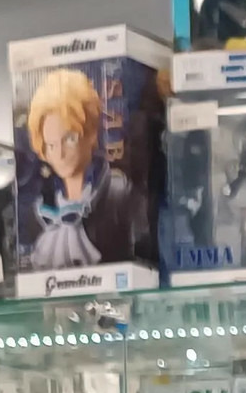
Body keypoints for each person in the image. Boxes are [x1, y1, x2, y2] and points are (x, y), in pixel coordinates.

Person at [24, 69, 154, 272]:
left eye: (69, 139)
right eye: (51, 145)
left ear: (90, 134)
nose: (60, 154)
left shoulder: (118, 194)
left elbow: (143, 260)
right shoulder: (40, 209)